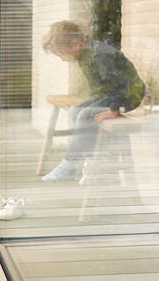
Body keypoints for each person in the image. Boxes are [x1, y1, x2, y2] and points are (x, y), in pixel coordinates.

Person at [40, 20, 146, 182]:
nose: (63, 59)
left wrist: (113, 110)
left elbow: (120, 85)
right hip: (109, 95)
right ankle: (94, 154)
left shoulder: (100, 54)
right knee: (76, 111)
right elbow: (103, 85)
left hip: (127, 97)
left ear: (77, 43)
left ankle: (69, 164)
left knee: (85, 116)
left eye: (63, 53)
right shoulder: (86, 52)